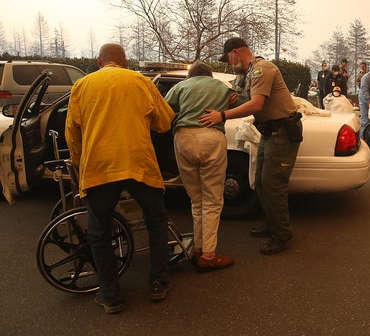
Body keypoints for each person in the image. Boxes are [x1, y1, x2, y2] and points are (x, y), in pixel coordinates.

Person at [65, 43, 175, 314]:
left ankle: (111, 296)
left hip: (100, 165)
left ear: (98, 61)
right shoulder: (140, 81)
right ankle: (158, 283)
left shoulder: (81, 85)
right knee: (157, 221)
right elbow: (164, 121)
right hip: (138, 162)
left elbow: (72, 133)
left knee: (99, 231)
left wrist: (80, 166)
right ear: (124, 61)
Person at [199, 37, 302, 255]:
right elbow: (249, 98)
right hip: (269, 132)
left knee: (273, 184)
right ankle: (272, 224)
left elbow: (256, 104)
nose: (228, 62)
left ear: (236, 52)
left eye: (228, 57)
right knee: (261, 183)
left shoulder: (261, 69)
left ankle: (282, 235)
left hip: (281, 133)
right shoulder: (249, 73)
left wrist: (222, 115)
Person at [164, 63, 235, 272]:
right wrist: (230, 99)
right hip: (211, 137)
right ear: (209, 75)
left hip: (183, 138)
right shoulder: (221, 87)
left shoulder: (181, 87)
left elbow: (164, 109)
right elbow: (244, 102)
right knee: (212, 199)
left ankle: (198, 248)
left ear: (190, 75)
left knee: (196, 199)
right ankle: (209, 256)